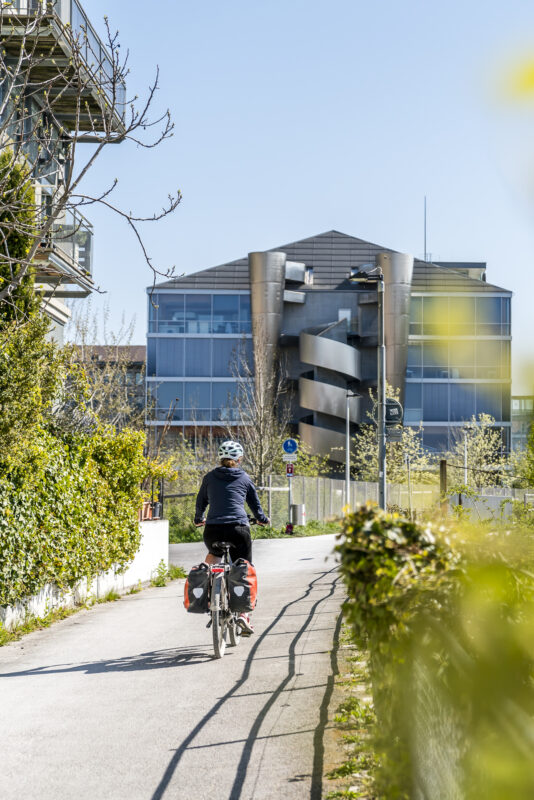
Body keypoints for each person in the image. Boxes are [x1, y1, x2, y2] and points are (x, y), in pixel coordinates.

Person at [194, 440, 269, 635]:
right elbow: (255, 504)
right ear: (239, 459)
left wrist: (198, 518)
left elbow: (201, 501)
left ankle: (210, 596)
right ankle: (244, 615)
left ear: (221, 459)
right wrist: (262, 519)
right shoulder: (244, 478)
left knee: (212, 557)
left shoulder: (209, 477)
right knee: (244, 567)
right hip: (238, 529)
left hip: (213, 530)